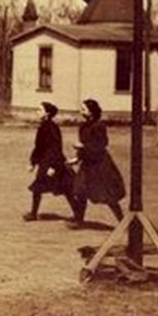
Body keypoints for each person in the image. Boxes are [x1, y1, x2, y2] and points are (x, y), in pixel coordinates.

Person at [67, 98, 126, 229]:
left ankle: (123, 222)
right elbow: (83, 147)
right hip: (87, 164)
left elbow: (101, 145)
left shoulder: (99, 126)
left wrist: (83, 146)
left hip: (100, 164)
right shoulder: (82, 126)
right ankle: (79, 221)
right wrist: (77, 159)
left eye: (83, 109)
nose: (80, 111)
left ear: (91, 111)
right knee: (80, 191)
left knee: (108, 195)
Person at [23, 101, 76, 221]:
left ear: (47, 113)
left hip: (53, 162)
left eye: (40, 110)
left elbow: (56, 147)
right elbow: (39, 147)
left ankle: (77, 214)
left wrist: (54, 166)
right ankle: (33, 213)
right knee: (40, 186)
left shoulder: (52, 128)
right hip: (45, 161)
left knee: (66, 188)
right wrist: (33, 162)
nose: (37, 112)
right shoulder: (43, 126)